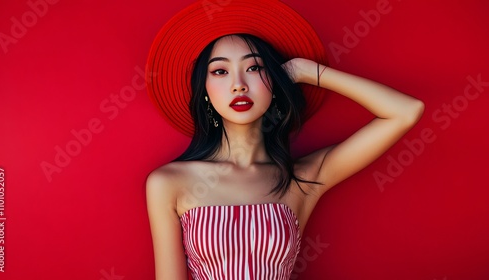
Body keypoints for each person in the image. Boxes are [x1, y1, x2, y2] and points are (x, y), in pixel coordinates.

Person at [145, 0, 424, 279]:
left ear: (275, 82)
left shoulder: (302, 179)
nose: (238, 83)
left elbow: (405, 112)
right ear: (204, 90)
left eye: (254, 68)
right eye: (220, 71)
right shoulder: (169, 182)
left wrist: (305, 71)